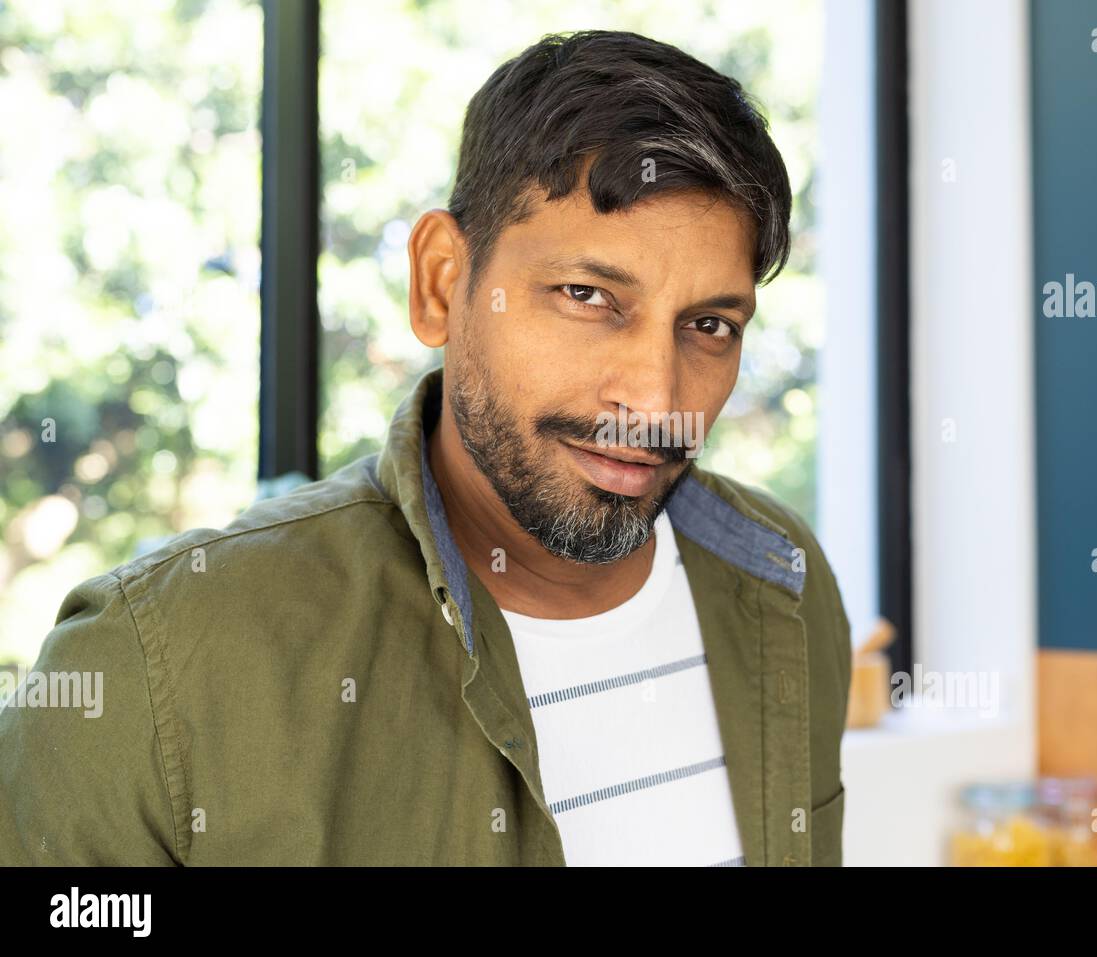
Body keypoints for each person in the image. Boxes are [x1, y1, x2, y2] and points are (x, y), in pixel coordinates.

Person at [0, 29, 850, 866]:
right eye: (588, 295)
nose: (655, 398)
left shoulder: (780, 583)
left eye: (708, 325)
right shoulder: (148, 672)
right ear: (441, 281)